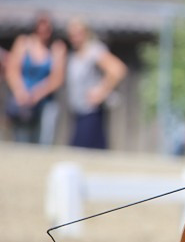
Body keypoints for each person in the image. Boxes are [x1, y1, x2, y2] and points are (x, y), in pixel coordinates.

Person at [65, 18, 128, 149]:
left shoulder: (94, 50)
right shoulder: (75, 53)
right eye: (71, 35)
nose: (74, 38)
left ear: (86, 33)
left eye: (78, 33)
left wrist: (101, 91)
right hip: (78, 111)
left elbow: (118, 70)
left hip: (91, 112)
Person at [4, 12, 66, 144]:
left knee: (44, 142)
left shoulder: (57, 47)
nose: (44, 31)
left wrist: (37, 95)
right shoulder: (23, 42)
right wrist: (21, 92)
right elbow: (12, 70)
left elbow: (57, 77)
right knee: (22, 141)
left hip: (45, 102)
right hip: (23, 102)